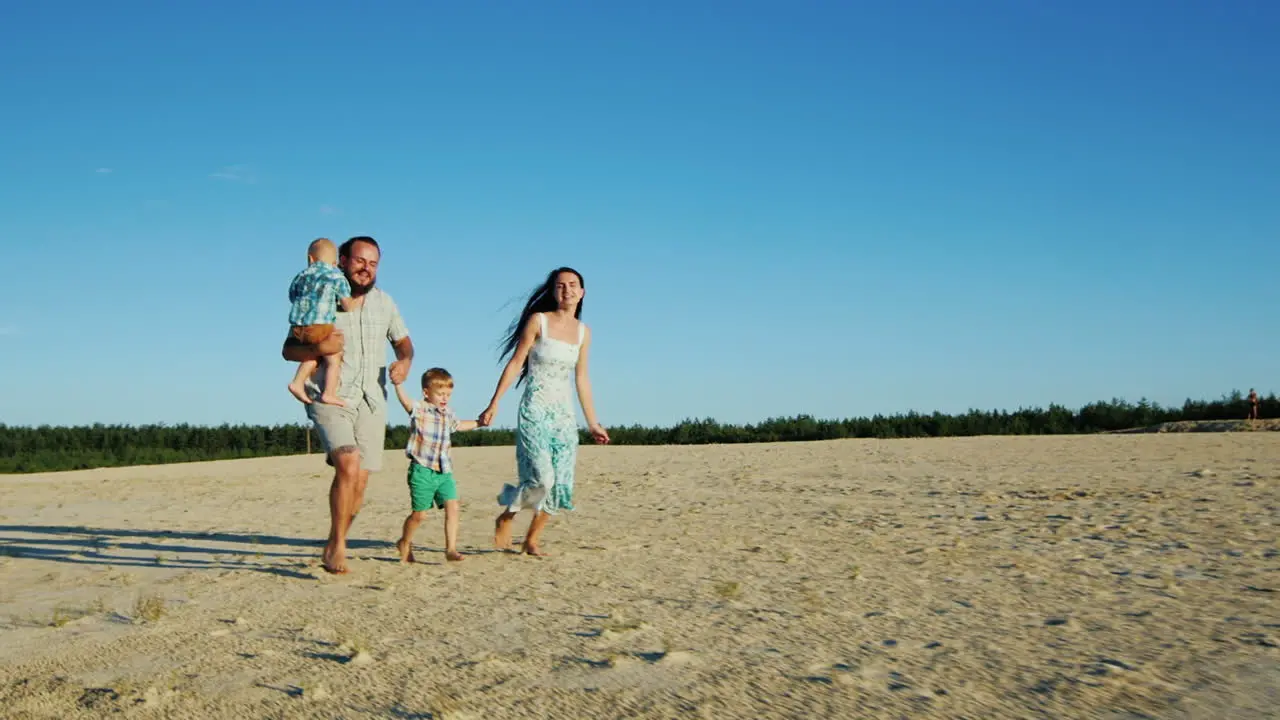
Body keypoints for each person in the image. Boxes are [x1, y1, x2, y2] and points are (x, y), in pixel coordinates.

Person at [281, 236, 414, 575]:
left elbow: (404, 343)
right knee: (349, 464)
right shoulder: (320, 298)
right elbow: (289, 351)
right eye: (359, 261)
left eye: (373, 263)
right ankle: (339, 546)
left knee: (361, 481)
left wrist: (405, 361)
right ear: (341, 261)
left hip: (372, 399)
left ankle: (333, 539)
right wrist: (322, 345)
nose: (366, 268)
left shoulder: (385, 303)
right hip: (330, 395)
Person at [479, 267, 609, 557]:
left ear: (582, 292)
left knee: (560, 483)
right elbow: (516, 363)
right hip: (535, 409)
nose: (567, 290)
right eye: (561, 285)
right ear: (552, 291)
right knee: (542, 479)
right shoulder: (539, 321)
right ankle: (507, 516)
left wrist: (593, 423)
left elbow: (582, 378)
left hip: (564, 416)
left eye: (573, 285)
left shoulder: (583, 333)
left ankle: (531, 540)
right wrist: (494, 402)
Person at [392, 368, 481, 563]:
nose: (444, 398)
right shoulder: (420, 409)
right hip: (422, 470)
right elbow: (405, 402)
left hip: (444, 471)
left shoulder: (448, 413)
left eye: (448, 394)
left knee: (453, 507)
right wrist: (398, 384)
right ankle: (405, 542)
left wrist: (479, 422)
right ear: (426, 392)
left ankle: (450, 549)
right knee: (419, 516)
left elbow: (458, 426)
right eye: (440, 394)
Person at [286, 238, 353, 406]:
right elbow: (347, 304)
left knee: (314, 353)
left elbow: (292, 296)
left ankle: (297, 382)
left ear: (310, 259)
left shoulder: (301, 275)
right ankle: (329, 393)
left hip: (296, 328)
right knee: (333, 356)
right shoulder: (335, 275)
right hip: (320, 324)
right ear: (335, 262)